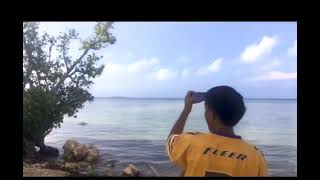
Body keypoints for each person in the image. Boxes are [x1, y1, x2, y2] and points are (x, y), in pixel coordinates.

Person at [166, 86, 268, 176]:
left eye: (206, 110)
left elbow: (171, 141)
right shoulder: (255, 156)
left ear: (212, 115)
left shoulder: (191, 142)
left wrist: (186, 109)